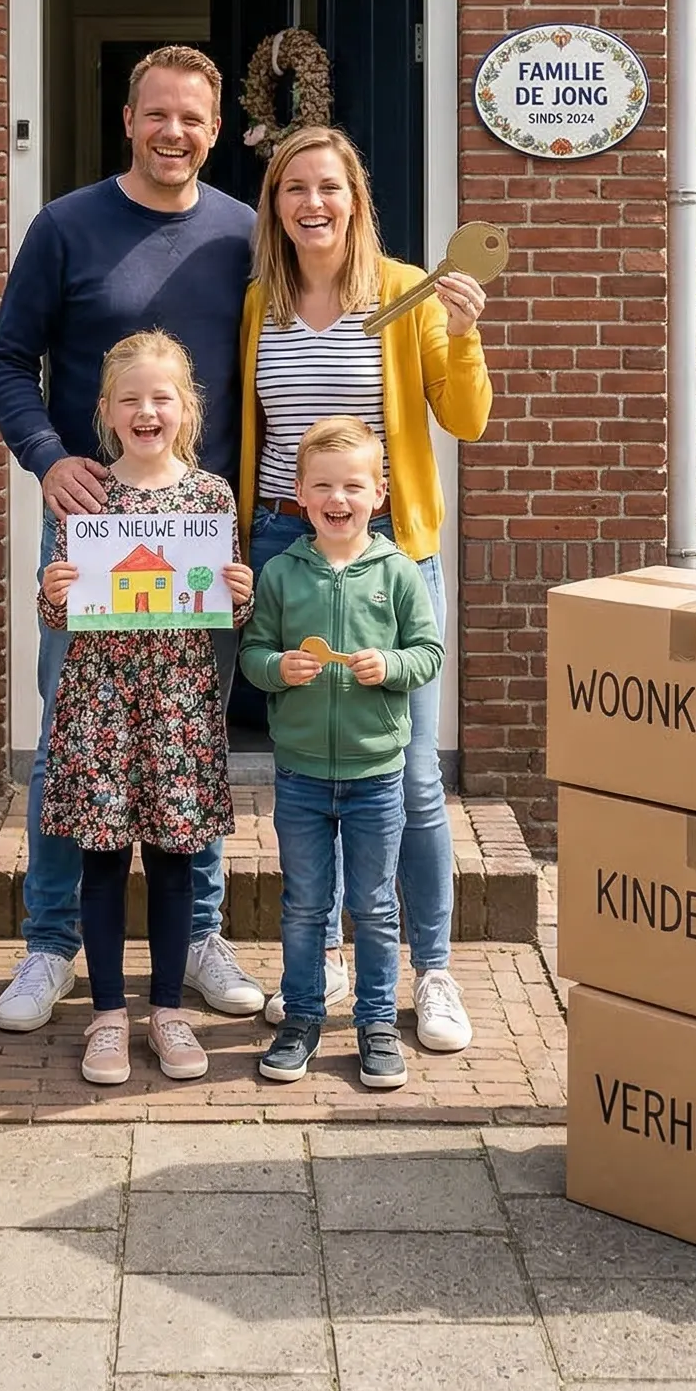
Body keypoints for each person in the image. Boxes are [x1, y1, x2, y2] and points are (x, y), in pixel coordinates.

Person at [0, 44, 266, 1032]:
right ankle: (49, 942)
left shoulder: (245, 235)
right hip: (91, 527)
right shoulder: (66, 226)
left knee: (195, 733)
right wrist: (46, 457)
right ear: (128, 120)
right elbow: (8, 361)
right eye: (156, 114)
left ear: (215, 131)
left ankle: (200, 938)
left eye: (191, 118)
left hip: (199, 531)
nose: (172, 132)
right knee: (72, 730)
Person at [239, 126, 492, 1052]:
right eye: (294, 188)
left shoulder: (406, 291)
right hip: (283, 540)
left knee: (411, 774)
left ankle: (434, 970)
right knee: (317, 762)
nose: (313, 204)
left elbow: (465, 416)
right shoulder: (260, 303)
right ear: (275, 205)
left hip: (387, 549)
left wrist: (463, 335)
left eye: (329, 188)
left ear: (357, 200)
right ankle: (332, 957)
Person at [40, 332, 253, 1084]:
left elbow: (225, 611)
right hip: (100, 701)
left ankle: (166, 1010)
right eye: (130, 399)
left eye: (162, 398)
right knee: (101, 861)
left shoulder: (211, 497)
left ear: (186, 408)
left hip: (178, 703)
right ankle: (106, 1014)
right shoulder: (87, 496)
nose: (146, 412)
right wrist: (54, 594)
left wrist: (240, 595)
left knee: (174, 861)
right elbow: (60, 611)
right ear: (106, 411)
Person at [241, 417, 443, 1089]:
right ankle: (301, 1018)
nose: (339, 499)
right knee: (303, 905)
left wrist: (391, 665)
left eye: (354, 486)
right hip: (299, 773)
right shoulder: (280, 574)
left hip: (376, 775)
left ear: (379, 495)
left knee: (376, 907)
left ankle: (376, 1023)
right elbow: (252, 654)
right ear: (300, 495)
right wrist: (278, 669)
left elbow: (429, 653)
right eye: (323, 486)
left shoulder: (400, 573)